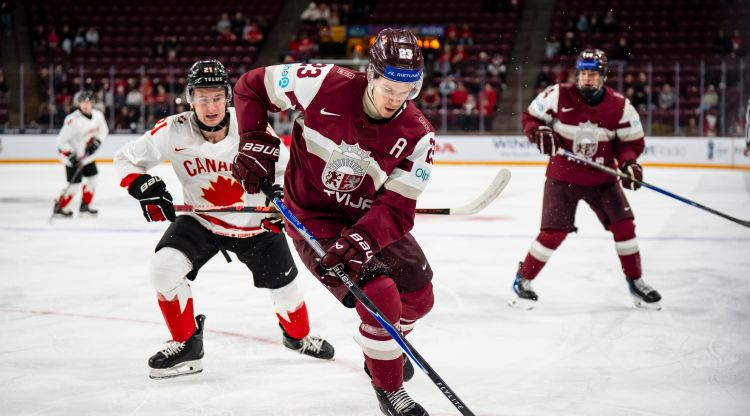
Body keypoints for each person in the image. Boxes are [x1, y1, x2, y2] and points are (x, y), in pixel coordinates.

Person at [231, 28, 435, 416]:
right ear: (371, 75)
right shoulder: (324, 82)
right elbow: (250, 86)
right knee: (381, 296)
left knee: (420, 297)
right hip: (312, 216)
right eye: (388, 87)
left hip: (367, 217)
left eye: (407, 90)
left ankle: (385, 347)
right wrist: (253, 135)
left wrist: (363, 239)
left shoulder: (419, 135)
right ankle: (389, 389)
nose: (396, 99)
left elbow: (396, 208)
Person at [113, 59, 334, 379]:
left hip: (255, 226)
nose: (211, 106)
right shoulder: (173, 129)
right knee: (163, 269)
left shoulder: (251, 127)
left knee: (287, 290)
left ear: (228, 97)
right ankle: (187, 344)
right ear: (190, 99)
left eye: (217, 97)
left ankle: (298, 338)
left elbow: (287, 172)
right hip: (202, 221)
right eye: (202, 98)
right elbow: (125, 159)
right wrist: (142, 186)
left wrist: (282, 204)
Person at [511, 49, 662, 311]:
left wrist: (628, 163)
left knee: (625, 226)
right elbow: (530, 118)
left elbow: (630, 143)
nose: (587, 78)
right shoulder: (558, 94)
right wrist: (538, 131)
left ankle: (635, 281)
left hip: (603, 179)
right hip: (563, 178)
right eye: (583, 73)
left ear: (603, 76)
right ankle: (522, 279)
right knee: (553, 233)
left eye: (592, 74)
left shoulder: (620, 106)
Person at [52, 90, 108, 217]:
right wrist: (71, 155)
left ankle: (85, 206)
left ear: (93, 103)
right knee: (75, 185)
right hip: (73, 158)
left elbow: (104, 131)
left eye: (89, 102)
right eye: (83, 102)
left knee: (93, 179)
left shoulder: (98, 116)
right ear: (79, 104)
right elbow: (60, 142)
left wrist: (97, 141)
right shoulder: (72, 120)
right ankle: (60, 206)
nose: (86, 105)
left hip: (87, 157)